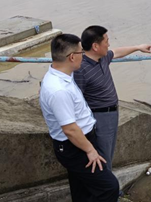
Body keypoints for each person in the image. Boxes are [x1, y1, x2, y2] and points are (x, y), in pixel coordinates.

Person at [39, 34, 119, 202]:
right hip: (75, 147)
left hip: (80, 141)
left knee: (81, 190)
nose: (85, 55)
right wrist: (90, 150)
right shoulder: (58, 90)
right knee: (109, 187)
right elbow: (69, 129)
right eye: (82, 52)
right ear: (72, 57)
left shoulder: (63, 74)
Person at [74, 25, 151, 171]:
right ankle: (106, 189)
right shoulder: (81, 69)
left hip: (112, 113)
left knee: (108, 152)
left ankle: (107, 186)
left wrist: (138, 47)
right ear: (95, 46)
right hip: (99, 117)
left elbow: (116, 52)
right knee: (103, 155)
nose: (109, 44)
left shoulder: (102, 58)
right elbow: (76, 99)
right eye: (106, 41)